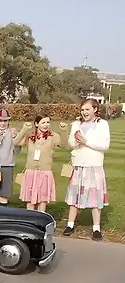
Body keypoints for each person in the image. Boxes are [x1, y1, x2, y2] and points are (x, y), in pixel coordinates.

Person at [64, 99, 110, 241]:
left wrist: (86, 142)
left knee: (95, 199)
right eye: (83, 109)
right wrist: (76, 141)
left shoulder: (102, 124)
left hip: (94, 165)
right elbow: (71, 143)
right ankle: (70, 225)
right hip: (78, 164)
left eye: (87, 109)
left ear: (95, 109)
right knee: (74, 197)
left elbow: (104, 145)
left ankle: (96, 228)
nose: (84, 112)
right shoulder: (76, 124)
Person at [15, 115, 68, 211]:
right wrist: (23, 130)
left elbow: (64, 145)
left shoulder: (52, 136)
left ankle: (40, 220)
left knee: (42, 200)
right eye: (43, 122)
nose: (46, 125)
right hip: (31, 172)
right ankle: (29, 221)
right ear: (36, 124)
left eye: (48, 122)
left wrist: (64, 130)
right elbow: (15, 142)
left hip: (45, 172)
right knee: (29, 199)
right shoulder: (30, 136)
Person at [0, 109, 31, 205]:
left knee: (4, 195)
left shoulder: (12, 132)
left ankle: (2, 217)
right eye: (0, 120)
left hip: (8, 165)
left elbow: (17, 151)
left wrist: (16, 139)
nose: (3, 123)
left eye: (5, 121)